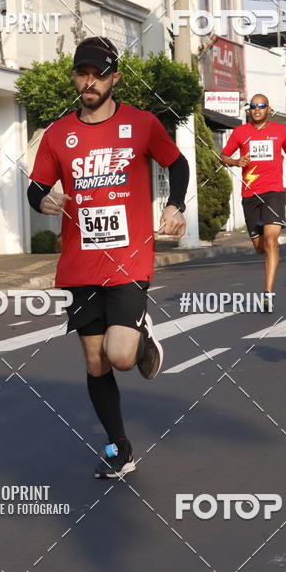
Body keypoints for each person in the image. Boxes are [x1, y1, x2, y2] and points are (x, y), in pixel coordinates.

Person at [28, 36, 189, 477]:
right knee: (95, 360)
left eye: (99, 74)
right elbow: (36, 188)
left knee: (120, 356)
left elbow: (177, 164)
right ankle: (120, 448)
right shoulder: (58, 134)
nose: (89, 81)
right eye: (82, 72)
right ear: (75, 77)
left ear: (114, 78)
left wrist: (175, 204)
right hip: (80, 262)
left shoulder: (141, 124)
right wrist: (42, 201)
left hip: (129, 256)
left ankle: (140, 330)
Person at [221, 94, 286, 309]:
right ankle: (269, 256)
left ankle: (268, 293)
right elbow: (224, 156)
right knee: (259, 246)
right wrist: (236, 161)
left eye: (261, 106)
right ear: (249, 110)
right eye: (253, 106)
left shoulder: (280, 131)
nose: (257, 109)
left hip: (274, 191)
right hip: (250, 194)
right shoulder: (240, 132)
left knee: (271, 241)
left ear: (268, 108)